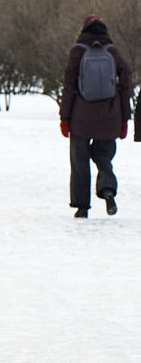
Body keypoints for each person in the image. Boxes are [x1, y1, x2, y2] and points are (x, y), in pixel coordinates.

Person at [60, 15, 130, 218]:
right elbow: (125, 84)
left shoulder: (77, 52)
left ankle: (82, 207)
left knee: (79, 161)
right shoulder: (113, 52)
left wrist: (65, 118)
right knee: (104, 157)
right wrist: (125, 118)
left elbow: (69, 85)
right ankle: (108, 191)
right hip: (109, 117)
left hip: (81, 118)